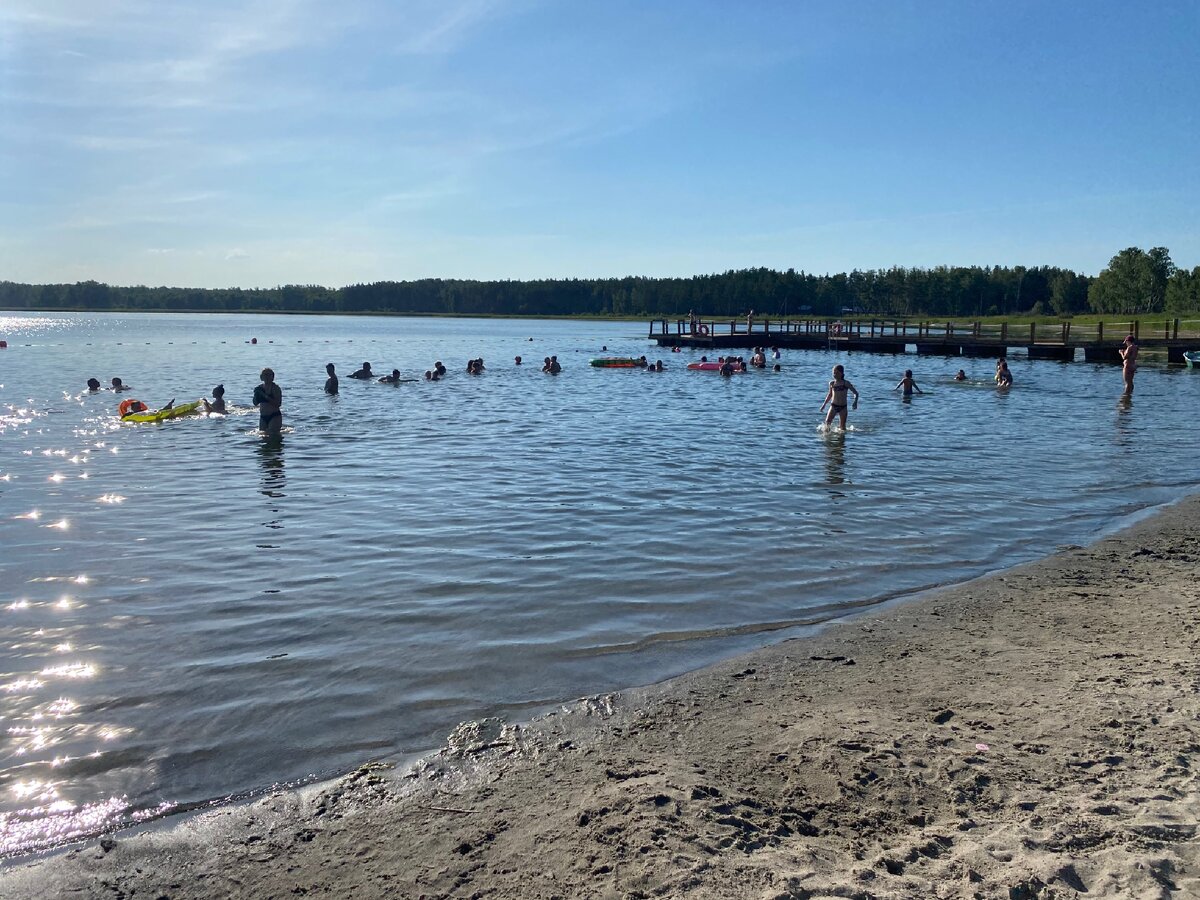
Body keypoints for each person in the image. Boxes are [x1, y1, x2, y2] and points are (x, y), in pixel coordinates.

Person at [820, 364, 859, 430]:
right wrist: (824, 405)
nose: (834, 374)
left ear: (841, 373)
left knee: (842, 427)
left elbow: (856, 393)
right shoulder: (832, 383)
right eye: (834, 373)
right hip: (833, 406)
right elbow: (830, 395)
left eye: (837, 373)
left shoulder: (846, 383)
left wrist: (855, 402)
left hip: (843, 407)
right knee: (827, 424)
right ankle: (827, 438)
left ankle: (841, 438)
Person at [253, 368, 283, 436]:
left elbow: (278, 404)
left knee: (272, 436)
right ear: (261, 377)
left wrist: (265, 396)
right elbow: (255, 403)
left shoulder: (275, 388)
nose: (267, 377)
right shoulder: (259, 388)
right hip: (263, 417)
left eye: (269, 375)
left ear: (272, 377)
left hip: (274, 416)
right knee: (263, 437)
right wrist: (256, 395)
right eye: (265, 375)